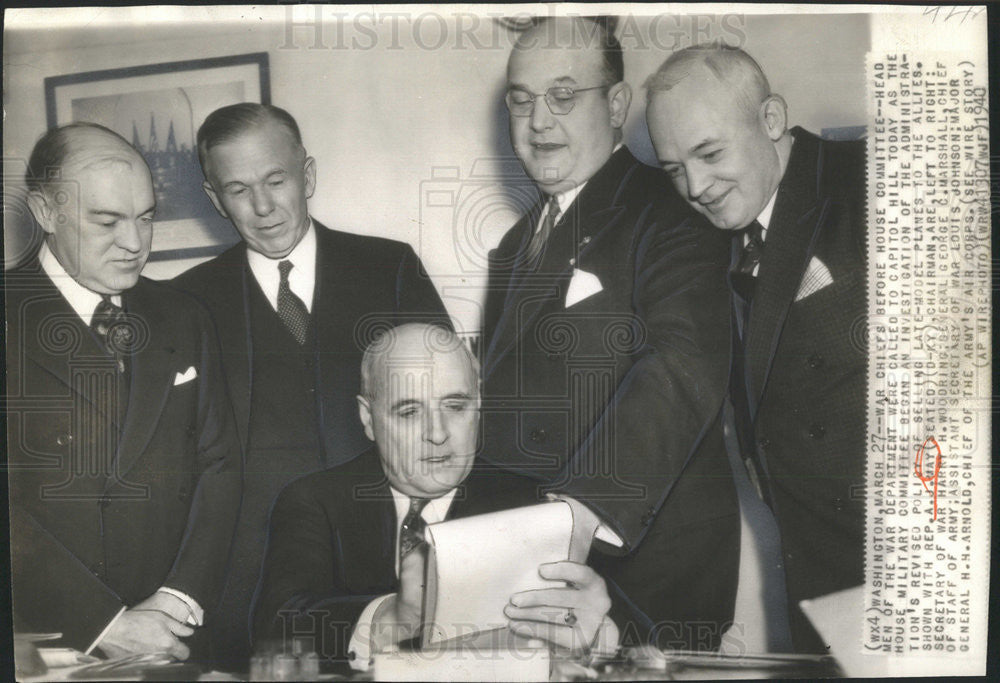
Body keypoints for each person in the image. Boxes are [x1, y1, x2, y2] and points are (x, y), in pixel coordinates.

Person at [480, 17, 739, 650]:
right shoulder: (515, 244)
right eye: (522, 100)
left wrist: (574, 517)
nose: (539, 122)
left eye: (564, 96)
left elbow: (681, 366)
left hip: (641, 581)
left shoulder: (672, 209)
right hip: (541, 576)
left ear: (617, 104)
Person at [170, 103, 450, 667]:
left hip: (384, 575)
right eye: (239, 189)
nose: (264, 206)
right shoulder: (187, 302)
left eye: (277, 180)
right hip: (245, 596)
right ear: (213, 197)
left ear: (308, 175)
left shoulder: (389, 268)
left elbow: (449, 420)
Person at [645, 43, 866, 652]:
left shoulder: (875, 182)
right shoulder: (719, 233)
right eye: (673, 168)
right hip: (816, 572)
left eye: (710, 153)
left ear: (771, 120)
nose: (695, 186)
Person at [253, 323, 619, 671]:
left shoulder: (537, 505)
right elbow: (278, 627)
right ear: (368, 417)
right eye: (410, 411)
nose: (438, 433)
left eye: (455, 406)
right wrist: (393, 619)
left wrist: (597, 639)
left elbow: (612, 631)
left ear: (478, 401)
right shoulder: (315, 501)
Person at [6, 123, 241, 661]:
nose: (136, 243)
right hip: (45, 645)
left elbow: (221, 466)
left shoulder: (184, 316)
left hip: (171, 634)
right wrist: (102, 623)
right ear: (45, 213)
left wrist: (178, 600)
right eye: (108, 221)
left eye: (146, 216)